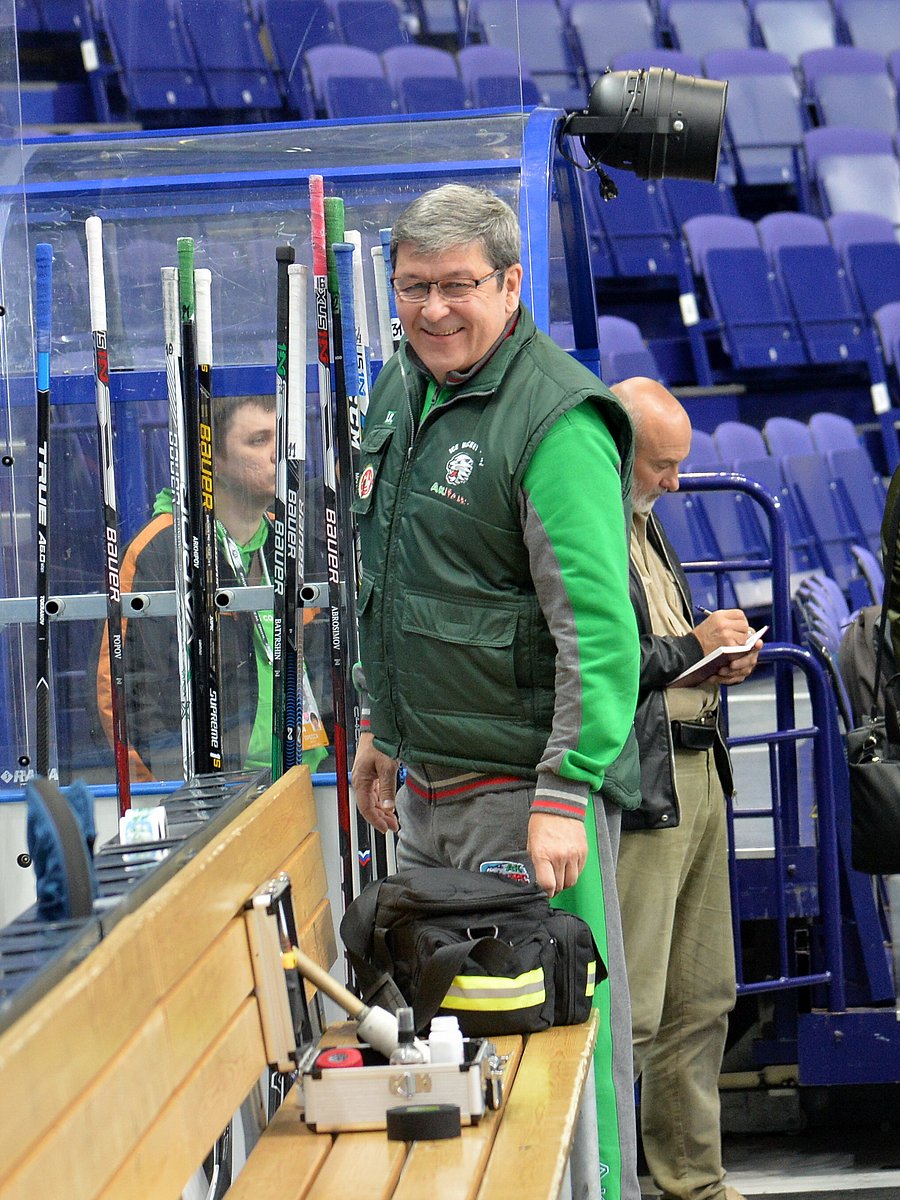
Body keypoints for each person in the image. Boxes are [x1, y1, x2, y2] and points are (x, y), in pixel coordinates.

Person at [349, 183, 642, 1200]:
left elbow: (600, 634)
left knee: (556, 1050)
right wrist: (384, 721)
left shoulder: (556, 417)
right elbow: (394, 579)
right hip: (426, 796)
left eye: (458, 287)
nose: (433, 309)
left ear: (512, 285)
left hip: (528, 805)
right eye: (412, 287)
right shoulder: (401, 388)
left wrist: (568, 789)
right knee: (454, 1056)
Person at [611, 376, 761, 1200]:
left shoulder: (643, 521)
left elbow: (664, 646)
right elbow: (597, 666)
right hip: (646, 778)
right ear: (620, 453)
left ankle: (693, 1183)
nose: (674, 482)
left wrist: (719, 658)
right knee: (634, 1011)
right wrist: (690, 649)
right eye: (662, 466)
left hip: (698, 767)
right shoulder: (587, 524)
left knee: (704, 996)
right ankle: (615, 1182)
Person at [90, 393, 327, 781]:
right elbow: (123, 692)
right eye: (258, 440)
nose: (278, 454)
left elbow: (323, 662)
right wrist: (168, 789)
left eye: (282, 438)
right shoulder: (162, 549)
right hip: (218, 788)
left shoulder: (294, 538)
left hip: (308, 778)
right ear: (211, 459)